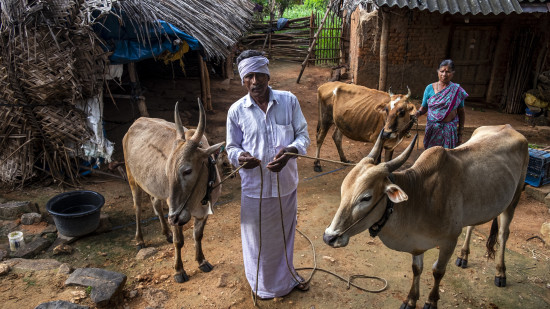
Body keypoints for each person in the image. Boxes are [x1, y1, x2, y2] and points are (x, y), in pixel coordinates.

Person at [226, 50, 311, 299]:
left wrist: (291, 151)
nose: (255, 82)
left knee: (284, 236)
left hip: (285, 185)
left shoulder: (289, 101)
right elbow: (231, 147)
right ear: (243, 80)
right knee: (256, 240)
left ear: (268, 75)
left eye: (259, 75)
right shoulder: (236, 111)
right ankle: (260, 285)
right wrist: (240, 158)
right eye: (249, 76)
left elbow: (303, 135)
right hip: (254, 189)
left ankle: (286, 279)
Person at [415, 59, 468, 149]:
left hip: (449, 131)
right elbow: (424, 108)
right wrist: (418, 113)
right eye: (442, 71)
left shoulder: (457, 90)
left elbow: (461, 112)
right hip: (433, 130)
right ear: (437, 72)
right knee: (431, 156)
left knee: (447, 158)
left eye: (448, 72)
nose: (444, 74)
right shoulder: (429, 88)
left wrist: (460, 134)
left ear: (452, 73)